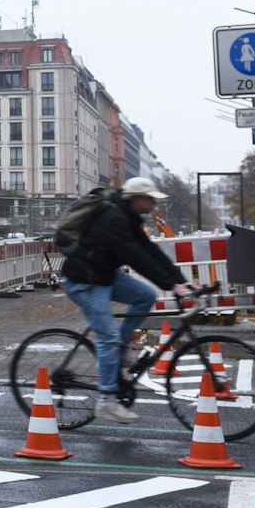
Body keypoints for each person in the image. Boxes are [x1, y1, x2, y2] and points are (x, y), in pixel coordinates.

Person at [59, 176, 194, 423]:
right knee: (108, 337)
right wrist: (171, 284)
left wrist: (180, 281)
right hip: (84, 281)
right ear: (137, 198)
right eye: (151, 199)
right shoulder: (114, 219)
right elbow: (134, 257)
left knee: (145, 295)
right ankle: (106, 401)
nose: (154, 203)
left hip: (104, 275)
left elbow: (150, 250)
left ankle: (119, 353)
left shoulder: (129, 217)